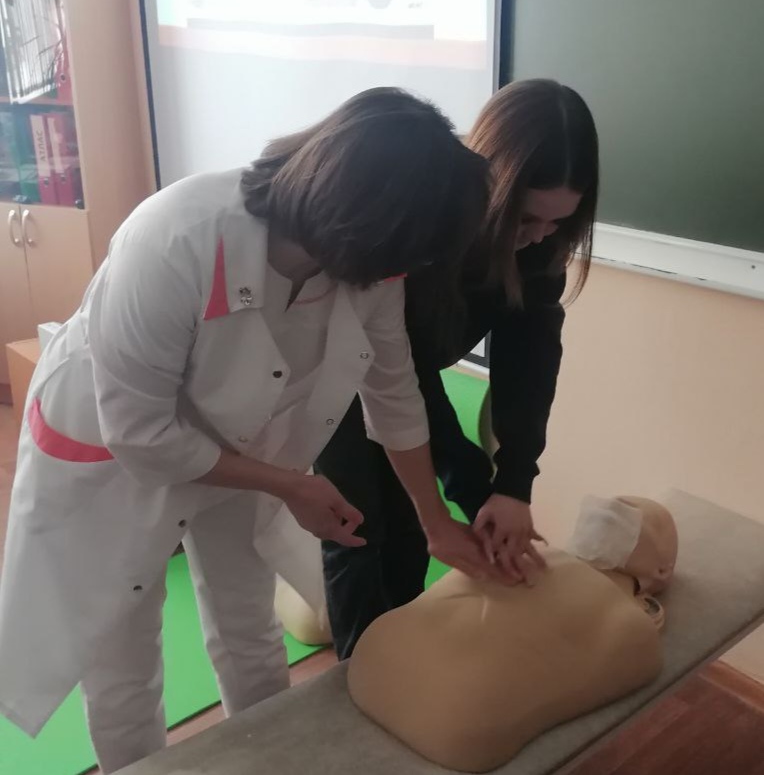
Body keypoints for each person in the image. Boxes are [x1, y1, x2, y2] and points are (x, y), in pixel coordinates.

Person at [0, 88, 496, 774]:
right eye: (404, 255)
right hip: (111, 457)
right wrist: (290, 485)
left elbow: (393, 392)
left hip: (240, 447)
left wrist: (434, 520)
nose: (405, 274)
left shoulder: (370, 270)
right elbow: (141, 436)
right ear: (363, 218)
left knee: (249, 622)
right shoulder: (175, 237)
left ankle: (270, 761)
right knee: (123, 659)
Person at [317, 78, 600, 659]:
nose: (540, 238)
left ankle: (399, 661)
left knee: (409, 535)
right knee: (360, 531)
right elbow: (402, 377)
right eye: (528, 219)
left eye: (558, 225)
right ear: (493, 185)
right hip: (342, 378)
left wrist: (513, 484)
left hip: (407, 379)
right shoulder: (424, 228)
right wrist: (466, 485)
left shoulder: (541, 246)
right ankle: (358, 679)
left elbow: (530, 362)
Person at [347, 496, 678, 773]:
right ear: (663, 570)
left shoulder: (529, 555)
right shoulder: (627, 624)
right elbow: (643, 662)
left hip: (373, 653)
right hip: (456, 720)